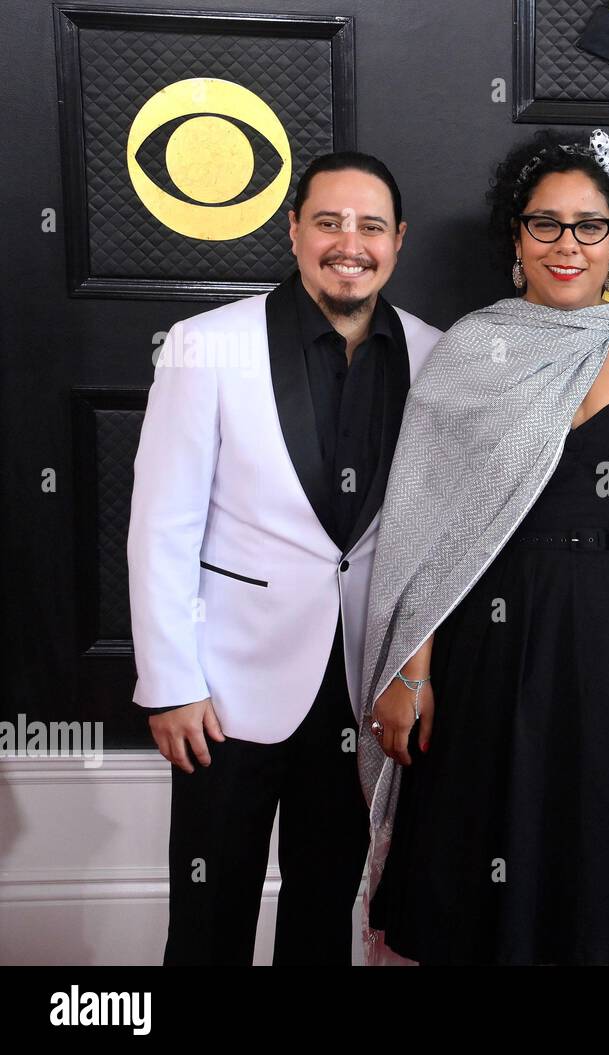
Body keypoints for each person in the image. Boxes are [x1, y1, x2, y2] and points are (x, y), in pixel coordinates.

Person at [358, 128, 609, 965]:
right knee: (493, 868)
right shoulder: (470, 351)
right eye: (546, 224)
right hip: (495, 640)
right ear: (516, 240)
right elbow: (426, 527)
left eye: (589, 226)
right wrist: (408, 672)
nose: (568, 245)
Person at [128, 152, 443, 963]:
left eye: (371, 226)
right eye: (330, 222)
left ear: (397, 241)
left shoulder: (438, 355)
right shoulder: (206, 345)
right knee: (208, 918)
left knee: (324, 908)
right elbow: (161, 526)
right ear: (294, 230)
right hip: (223, 696)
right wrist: (170, 683)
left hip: (357, 692)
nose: (351, 243)